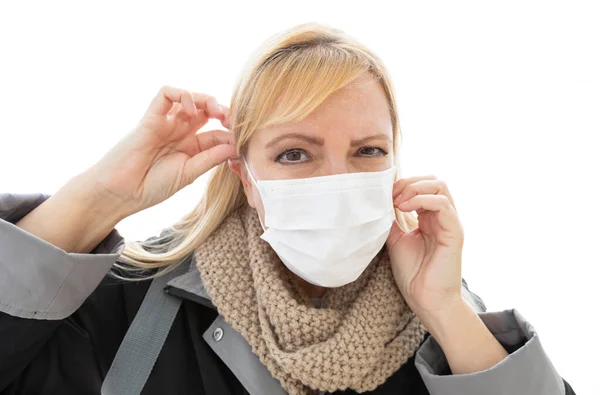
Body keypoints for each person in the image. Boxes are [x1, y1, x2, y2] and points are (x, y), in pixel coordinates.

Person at [0, 22, 575, 395]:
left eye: (367, 151)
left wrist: (447, 311)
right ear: (245, 176)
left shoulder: (448, 331)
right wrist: (100, 195)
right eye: (295, 152)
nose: (337, 179)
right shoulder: (131, 304)